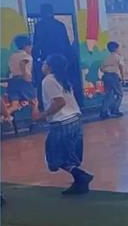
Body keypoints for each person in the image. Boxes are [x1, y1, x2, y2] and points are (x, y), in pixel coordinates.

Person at [34, 54, 93, 195]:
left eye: (45, 63)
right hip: (74, 120)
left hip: (62, 123)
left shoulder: (48, 80)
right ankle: (80, 183)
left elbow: (59, 102)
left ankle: (81, 176)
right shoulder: (63, 79)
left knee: (54, 156)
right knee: (69, 155)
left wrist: (43, 114)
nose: (42, 65)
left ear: (49, 66)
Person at [33, 4, 77, 108]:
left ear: (42, 13)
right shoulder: (60, 25)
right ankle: (68, 104)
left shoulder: (39, 26)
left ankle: (45, 107)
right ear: (52, 12)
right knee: (62, 80)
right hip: (61, 58)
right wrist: (67, 58)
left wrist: (36, 58)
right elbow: (66, 43)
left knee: (45, 82)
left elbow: (37, 44)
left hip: (47, 57)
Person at [4, 34, 41, 122]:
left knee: (14, 105)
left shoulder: (12, 56)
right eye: (30, 46)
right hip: (23, 81)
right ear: (26, 46)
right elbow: (22, 63)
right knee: (34, 102)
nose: (31, 49)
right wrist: (26, 75)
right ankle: (36, 120)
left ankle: (3, 116)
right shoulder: (26, 56)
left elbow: (9, 70)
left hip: (13, 82)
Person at [99, 41, 125, 119]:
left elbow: (101, 68)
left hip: (106, 76)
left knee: (108, 94)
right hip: (113, 76)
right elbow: (121, 67)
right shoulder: (118, 57)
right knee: (120, 94)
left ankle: (103, 112)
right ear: (116, 49)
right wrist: (123, 78)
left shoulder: (107, 57)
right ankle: (115, 109)